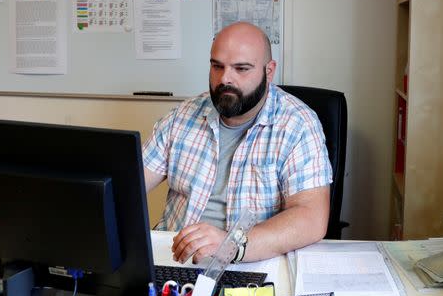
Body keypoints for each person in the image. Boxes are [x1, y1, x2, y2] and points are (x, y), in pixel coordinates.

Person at [142, 22, 332, 264]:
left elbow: (311, 217)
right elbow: (128, 184)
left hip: (252, 261)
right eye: (217, 66)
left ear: (269, 71)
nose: (225, 79)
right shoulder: (182, 116)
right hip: (176, 260)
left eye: (241, 68)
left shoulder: (297, 124)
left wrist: (231, 245)